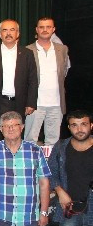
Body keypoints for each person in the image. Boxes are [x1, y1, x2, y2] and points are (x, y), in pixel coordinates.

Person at [0, 20, 38, 144]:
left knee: (16, 137)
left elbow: (33, 80)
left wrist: (31, 103)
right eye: (5, 30)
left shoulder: (27, 53)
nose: (8, 33)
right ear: (0, 34)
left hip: (19, 102)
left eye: (12, 30)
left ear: (18, 34)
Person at [24, 17, 70, 145]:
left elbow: (64, 72)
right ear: (36, 30)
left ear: (53, 29)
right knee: (30, 140)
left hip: (56, 103)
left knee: (53, 141)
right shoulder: (27, 50)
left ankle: (51, 159)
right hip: (35, 104)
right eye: (41, 27)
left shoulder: (62, 49)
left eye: (48, 27)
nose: (45, 30)